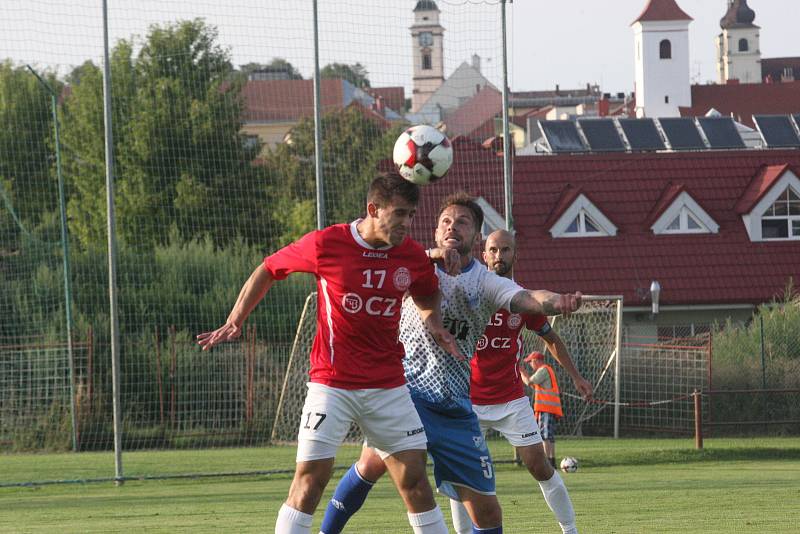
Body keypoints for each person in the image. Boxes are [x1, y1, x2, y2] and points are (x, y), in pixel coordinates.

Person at [197, 172, 459, 534]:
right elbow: (269, 268)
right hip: (332, 384)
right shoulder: (328, 244)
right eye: (399, 214)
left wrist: (434, 323)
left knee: (415, 483)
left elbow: (427, 293)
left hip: (388, 387)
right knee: (310, 481)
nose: (406, 223)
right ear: (373, 209)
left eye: (411, 215)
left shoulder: (411, 255)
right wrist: (235, 319)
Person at [319, 192, 583, 534]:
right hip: (406, 398)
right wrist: (431, 256)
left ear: (476, 237)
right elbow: (379, 253)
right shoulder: (410, 264)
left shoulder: (486, 282)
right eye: (445, 221)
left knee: (488, 513)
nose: (452, 226)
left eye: (462, 222)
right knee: (372, 466)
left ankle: (570, 527)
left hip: (458, 408)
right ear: (435, 231)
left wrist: (555, 301)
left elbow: (527, 298)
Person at [447, 229, 592, 534]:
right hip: (468, 400)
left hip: (511, 399)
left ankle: (570, 530)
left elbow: (551, 339)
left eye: (506, 250)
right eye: (493, 250)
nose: (499, 256)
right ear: (484, 255)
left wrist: (576, 376)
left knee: (539, 465)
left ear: (516, 254)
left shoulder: (522, 301)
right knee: (461, 474)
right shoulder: (467, 297)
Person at [521, 351, 566, 471]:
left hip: (545, 408)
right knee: (549, 436)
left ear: (536, 361)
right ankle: (552, 461)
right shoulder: (547, 370)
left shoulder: (543, 370)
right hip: (550, 408)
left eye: (530, 362)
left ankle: (548, 462)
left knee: (545, 435)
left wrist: (521, 371)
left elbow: (529, 382)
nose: (530, 364)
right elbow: (534, 385)